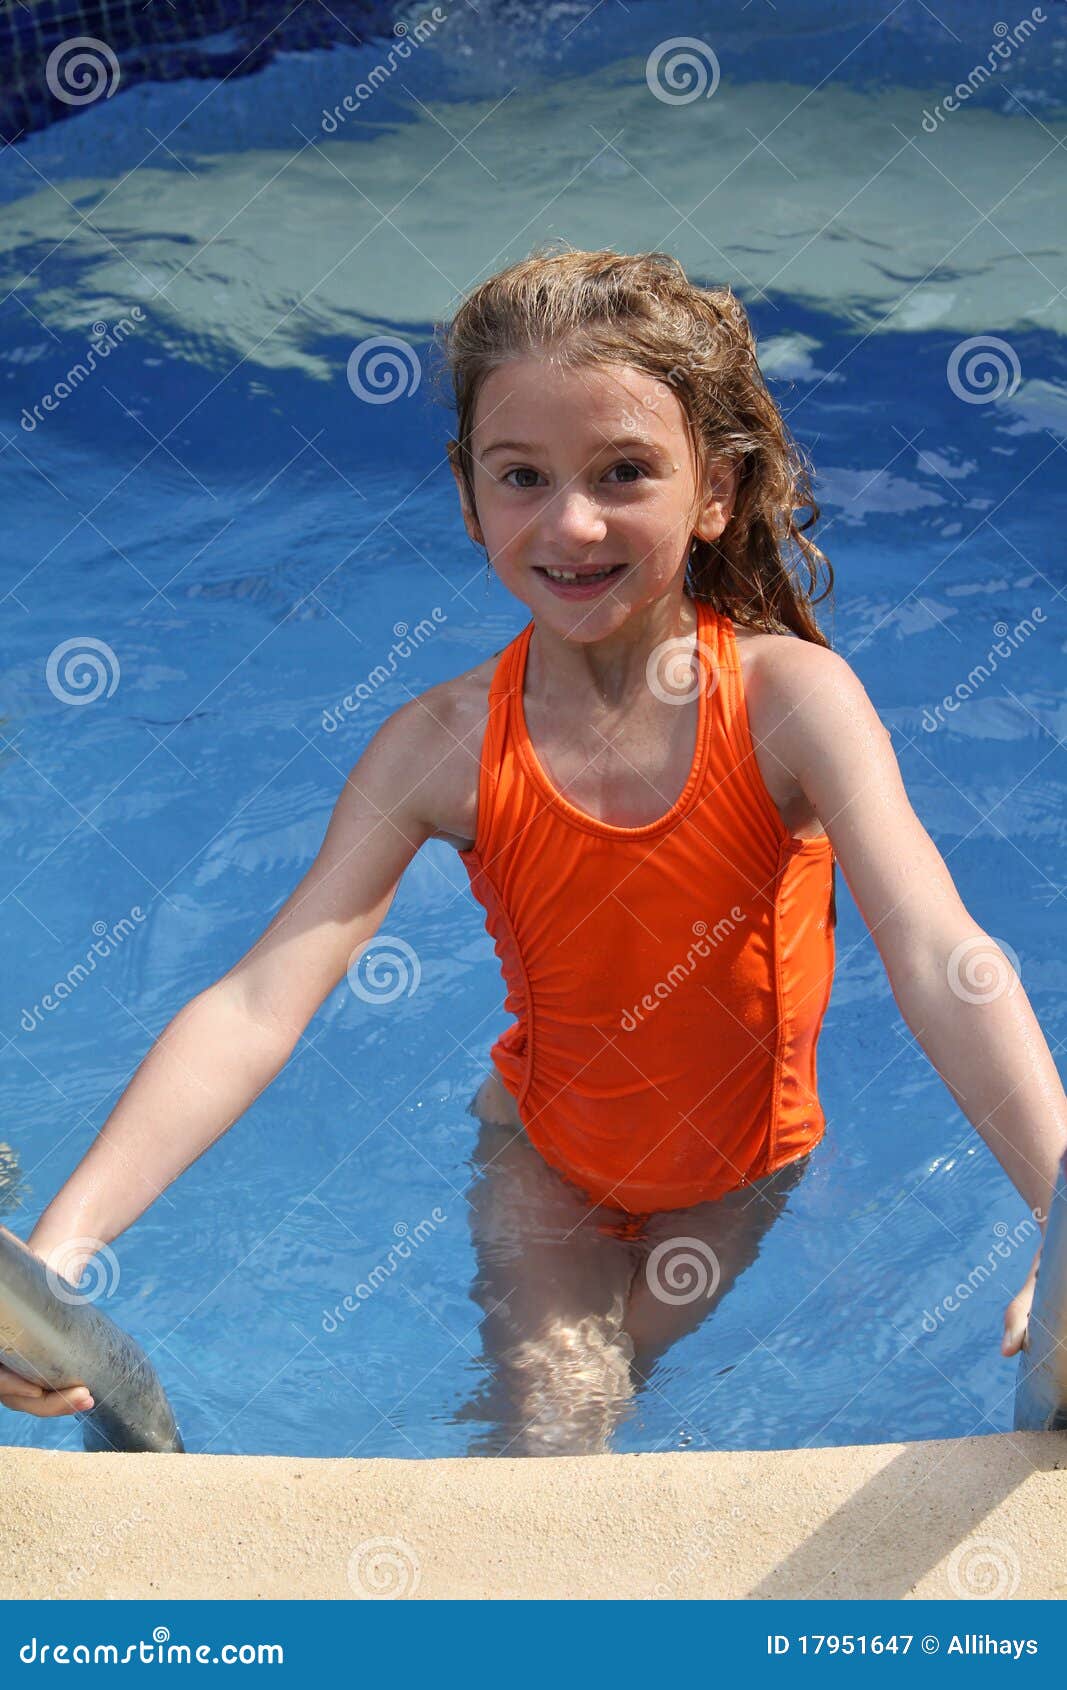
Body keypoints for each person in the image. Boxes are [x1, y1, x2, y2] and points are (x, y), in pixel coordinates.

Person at [1, 247, 1061, 1454]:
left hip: (738, 1174)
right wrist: (53, 1261)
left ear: (712, 490)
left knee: (595, 1402)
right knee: (551, 1433)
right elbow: (255, 1003)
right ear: (467, 496)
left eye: (624, 472)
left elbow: (938, 954)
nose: (570, 521)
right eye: (522, 476)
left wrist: (1057, 1215)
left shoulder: (788, 705)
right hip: (541, 1158)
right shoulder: (439, 747)